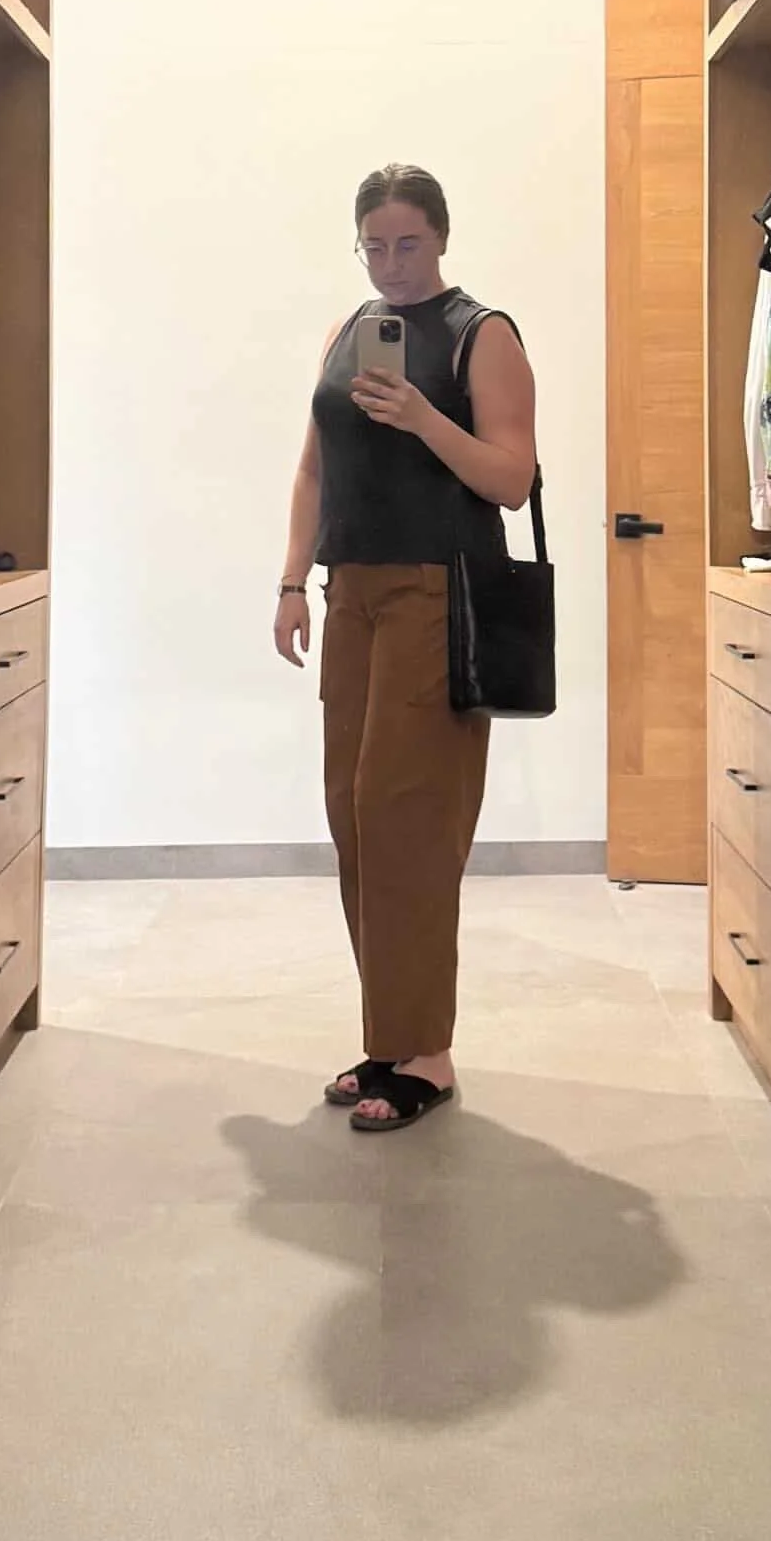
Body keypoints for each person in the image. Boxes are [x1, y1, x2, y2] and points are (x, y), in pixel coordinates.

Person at [274, 164, 537, 1132]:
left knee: (408, 819)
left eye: (408, 243)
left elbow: (511, 477)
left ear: (441, 237)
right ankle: (389, 1037)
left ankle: (426, 1051)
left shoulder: (481, 333)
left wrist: (422, 417)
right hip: (351, 593)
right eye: (374, 245)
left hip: (437, 591)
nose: (390, 262)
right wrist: (291, 582)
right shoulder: (348, 332)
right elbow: (313, 470)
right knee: (353, 813)